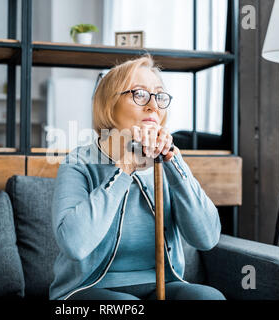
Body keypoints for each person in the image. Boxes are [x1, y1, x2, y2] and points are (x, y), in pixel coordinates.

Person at [49, 55, 225, 300]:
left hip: (162, 286)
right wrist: (126, 167)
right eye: (140, 94)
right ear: (109, 104)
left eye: (160, 96)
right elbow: (75, 244)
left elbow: (206, 238)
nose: (153, 106)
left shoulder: (168, 161)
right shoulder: (78, 163)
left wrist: (173, 163)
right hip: (85, 292)